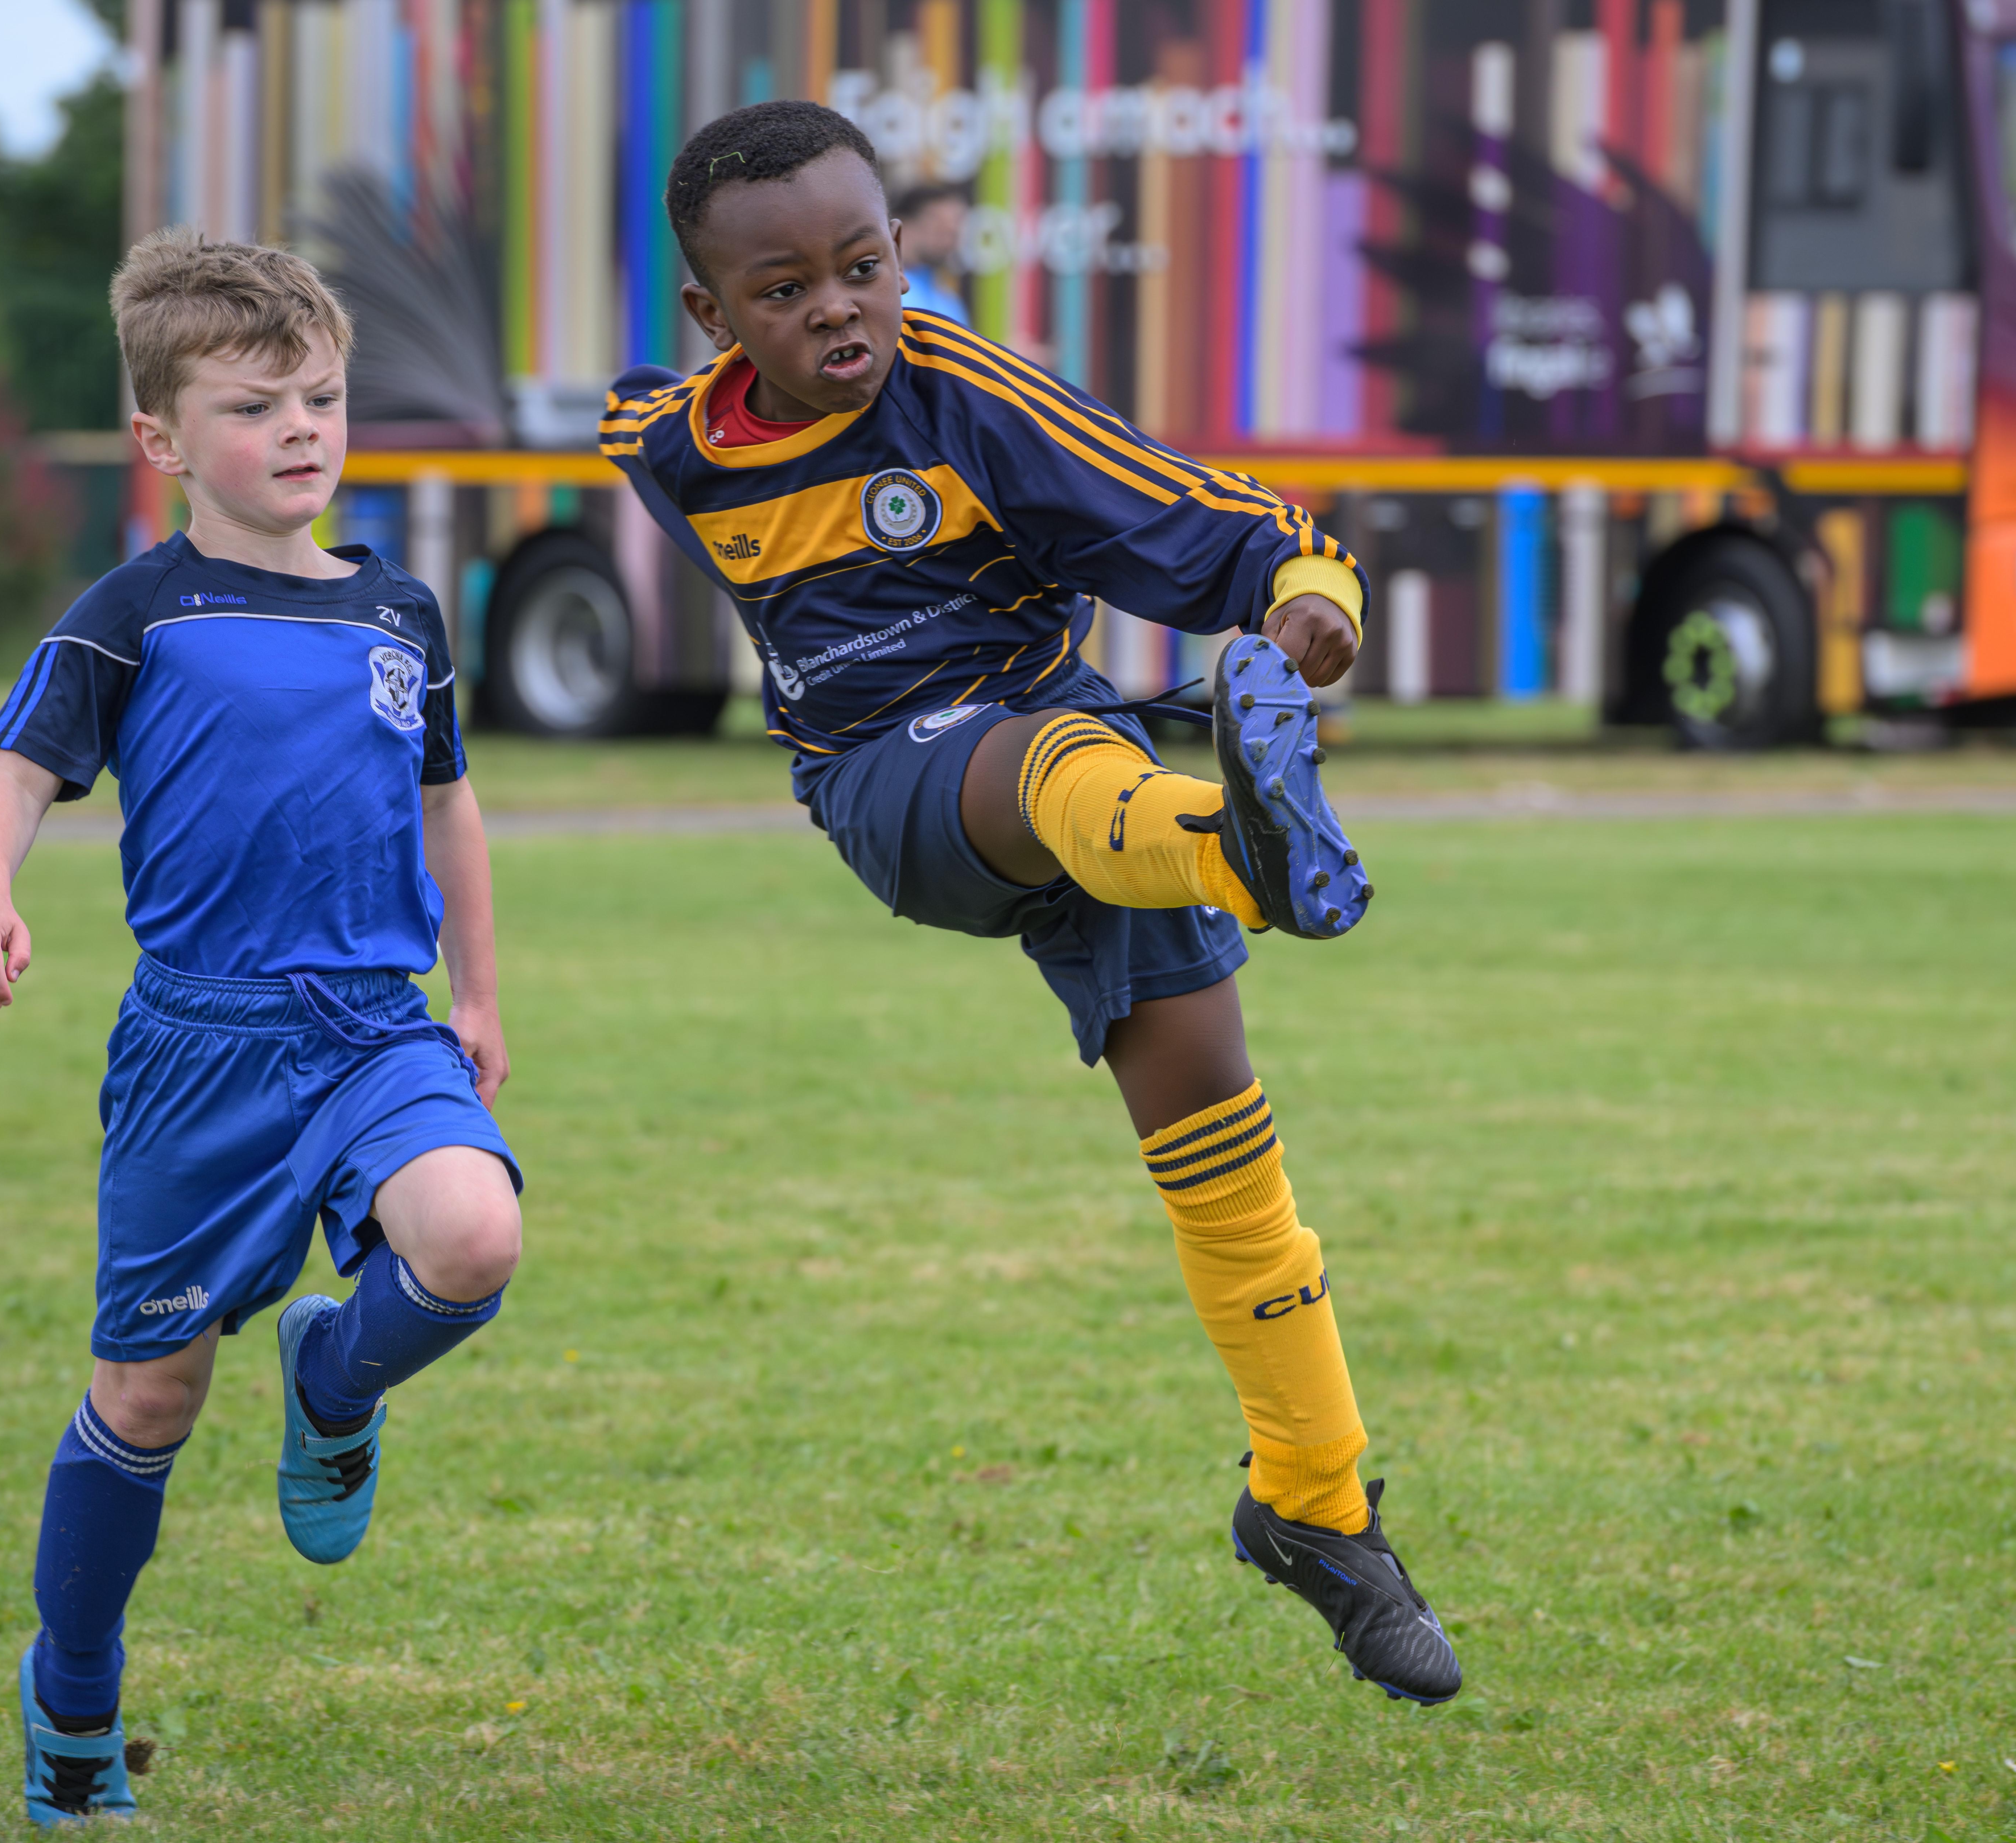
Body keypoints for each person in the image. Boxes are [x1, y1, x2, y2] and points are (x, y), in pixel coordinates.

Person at [601, 101, 1460, 1705]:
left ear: (903, 254)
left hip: (1087, 785)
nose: (838, 307)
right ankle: (1244, 843)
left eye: (864, 266)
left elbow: (1210, 518)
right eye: (785, 291)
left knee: (1222, 1147)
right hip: (892, 781)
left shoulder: (966, 393)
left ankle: (1317, 1506)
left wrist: (1309, 605)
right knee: (1063, 746)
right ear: (713, 317)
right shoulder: (661, 438)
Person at [0, 227, 523, 1827]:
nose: (301, 431)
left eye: (321, 397)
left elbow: (449, 808)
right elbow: (12, 772)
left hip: (374, 1026)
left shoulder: (401, 610)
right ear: (162, 439)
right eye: (257, 406)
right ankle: (72, 1697)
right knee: (151, 1396)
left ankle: (338, 1373)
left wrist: (473, 995)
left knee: (472, 1234)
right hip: (201, 1049)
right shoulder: (139, 608)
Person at [891, 179, 973, 323]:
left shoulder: (950, 303)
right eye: (938, 224)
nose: (949, 238)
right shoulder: (887, 295)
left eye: (955, 227)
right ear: (903, 225)